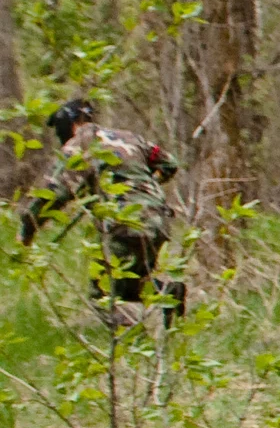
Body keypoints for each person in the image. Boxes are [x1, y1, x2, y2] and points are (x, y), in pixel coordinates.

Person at [19, 97, 184, 322]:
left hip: (124, 224)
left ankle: (129, 334)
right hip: (159, 220)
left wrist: (27, 230)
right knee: (130, 283)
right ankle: (167, 292)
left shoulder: (80, 144)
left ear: (70, 123)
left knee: (104, 296)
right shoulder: (129, 137)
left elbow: (53, 193)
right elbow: (169, 163)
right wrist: (145, 189)